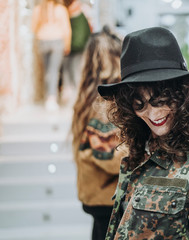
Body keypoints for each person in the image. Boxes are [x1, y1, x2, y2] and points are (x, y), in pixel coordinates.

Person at [97, 27, 189, 240]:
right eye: (139, 104)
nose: (153, 113)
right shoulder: (143, 144)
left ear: (181, 95)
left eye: (161, 101)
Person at [71, 26, 127, 240]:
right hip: (109, 197)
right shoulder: (105, 102)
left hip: (98, 196)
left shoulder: (87, 96)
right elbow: (112, 158)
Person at [31, 0, 71, 111]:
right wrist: (67, 44)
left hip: (42, 40)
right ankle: (51, 98)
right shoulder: (61, 9)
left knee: (47, 71)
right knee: (53, 71)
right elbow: (66, 29)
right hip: (57, 40)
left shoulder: (38, 9)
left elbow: (33, 28)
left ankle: (48, 97)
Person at [61, 0, 92, 105]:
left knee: (68, 71)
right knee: (76, 71)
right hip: (78, 46)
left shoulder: (65, 13)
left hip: (69, 46)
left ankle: (71, 95)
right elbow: (87, 30)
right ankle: (78, 96)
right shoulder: (81, 12)